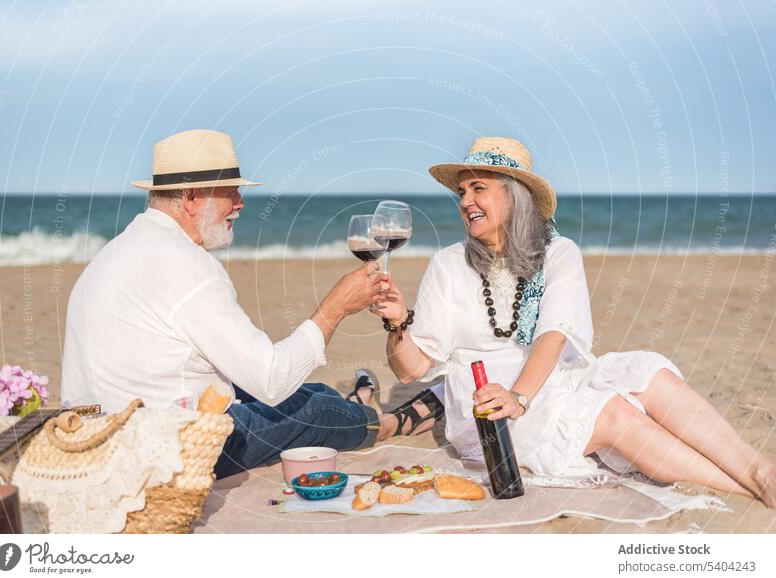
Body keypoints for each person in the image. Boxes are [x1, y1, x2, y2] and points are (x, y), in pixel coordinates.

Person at [369, 136, 776, 507]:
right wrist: (397, 324)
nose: (465, 201)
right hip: (490, 411)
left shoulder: (557, 252)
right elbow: (413, 369)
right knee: (615, 413)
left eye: (479, 189)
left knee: (649, 374)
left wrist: (521, 397)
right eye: (462, 192)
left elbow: (554, 334)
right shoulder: (447, 264)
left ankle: (760, 470)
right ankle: (749, 487)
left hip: (549, 382)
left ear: (514, 198)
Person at [61, 129, 395, 479]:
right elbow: (271, 380)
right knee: (315, 407)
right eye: (230, 191)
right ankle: (384, 423)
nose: (240, 202)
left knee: (300, 391)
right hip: (165, 449)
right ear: (192, 199)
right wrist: (335, 308)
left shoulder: (118, 249)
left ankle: (355, 408)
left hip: (96, 435)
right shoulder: (186, 263)